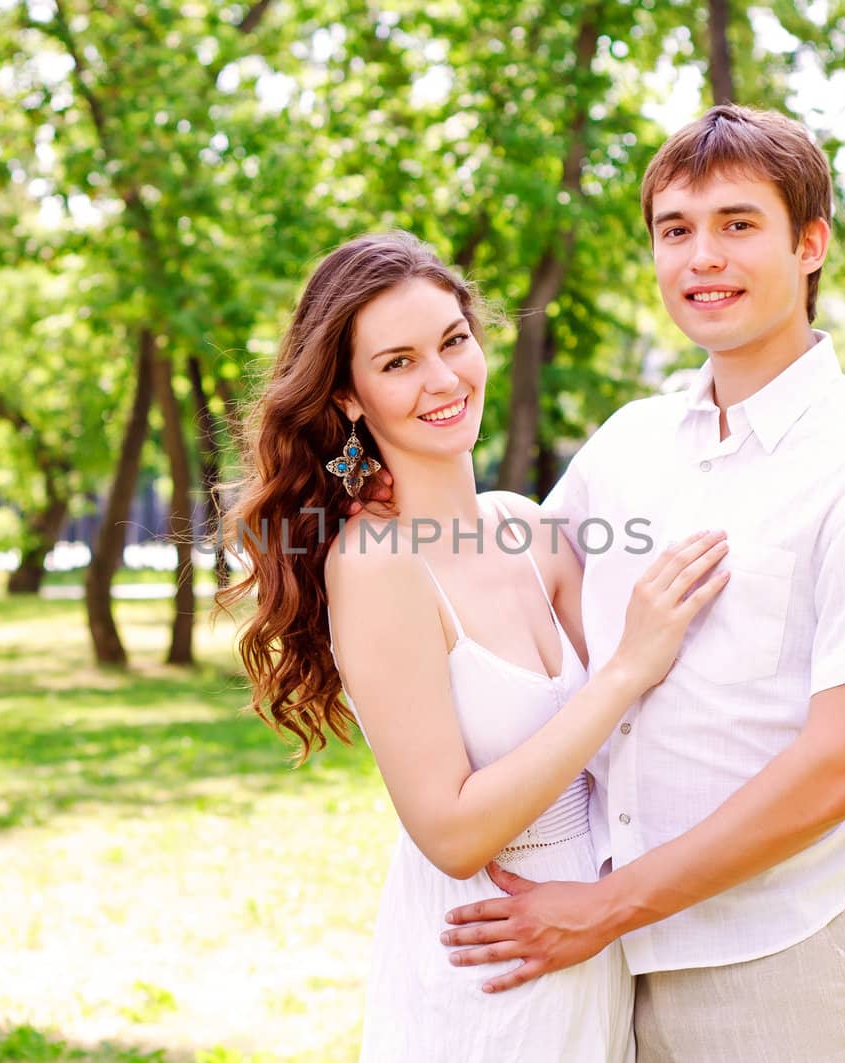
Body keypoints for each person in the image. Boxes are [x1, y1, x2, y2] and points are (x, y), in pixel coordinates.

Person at [436, 105, 845, 1061]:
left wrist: (603, 908)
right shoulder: (629, 441)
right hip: (607, 971)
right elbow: (509, 572)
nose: (701, 258)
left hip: (785, 962)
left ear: (810, 243)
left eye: (737, 225)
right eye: (675, 230)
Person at [219, 230, 729, 1062]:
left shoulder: (530, 530)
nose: (444, 379)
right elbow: (451, 832)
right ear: (349, 398)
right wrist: (629, 668)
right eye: (398, 363)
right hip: (483, 975)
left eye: (453, 341)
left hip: (591, 956)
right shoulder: (378, 563)